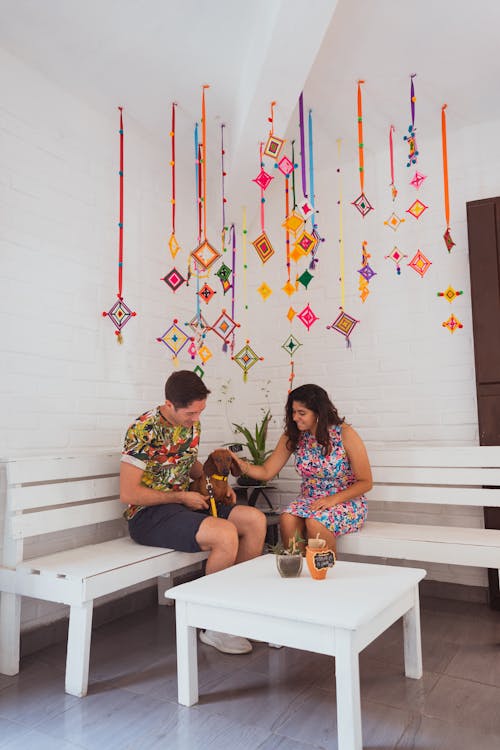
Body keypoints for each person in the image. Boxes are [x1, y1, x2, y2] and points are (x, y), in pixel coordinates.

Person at [120, 370, 267, 655]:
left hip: (183, 506)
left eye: (200, 412)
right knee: (225, 534)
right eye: (190, 413)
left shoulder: (190, 425)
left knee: (254, 519)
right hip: (148, 515)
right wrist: (180, 496)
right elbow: (128, 493)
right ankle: (214, 624)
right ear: (169, 404)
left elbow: (188, 463)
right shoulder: (143, 430)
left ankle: (238, 610)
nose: (195, 419)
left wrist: (217, 483)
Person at [230, 384, 372, 554]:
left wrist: (331, 500)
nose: (295, 417)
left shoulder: (345, 434)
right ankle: (298, 570)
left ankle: (323, 573)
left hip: (345, 502)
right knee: (287, 518)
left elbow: (366, 482)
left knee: (315, 522)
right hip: (311, 501)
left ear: (319, 412)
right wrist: (240, 464)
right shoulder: (294, 435)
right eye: (293, 412)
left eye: (302, 413)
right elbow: (266, 471)